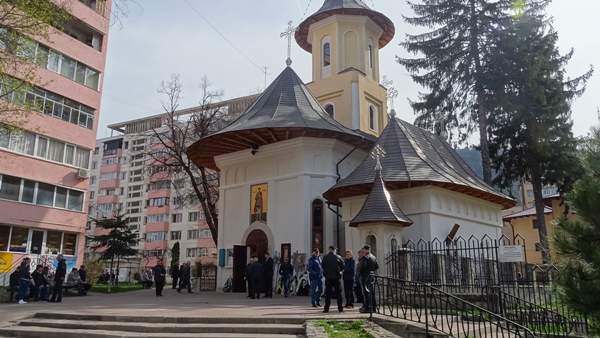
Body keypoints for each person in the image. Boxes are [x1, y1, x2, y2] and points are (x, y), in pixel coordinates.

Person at [321, 246, 344, 313]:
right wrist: (340, 273)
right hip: (336, 278)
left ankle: (326, 309)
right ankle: (340, 308)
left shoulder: (325, 257)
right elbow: (343, 266)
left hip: (328, 278)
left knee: (328, 294)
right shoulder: (338, 257)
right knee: (339, 294)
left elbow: (322, 266)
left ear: (329, 250)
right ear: (334, 250)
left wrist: (326, 274)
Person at [358, 245, 379, 313]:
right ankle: (374, 307)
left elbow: (361, 268)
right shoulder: (374, 257)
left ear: (365, 250)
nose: (363, 251)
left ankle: (367, 308)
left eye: (363, 250)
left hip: (365, 277)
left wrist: (360, 274)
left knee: (366, 293)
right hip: (372, 276)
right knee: (372, 293)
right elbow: (376, 266)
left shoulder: (365, 258)